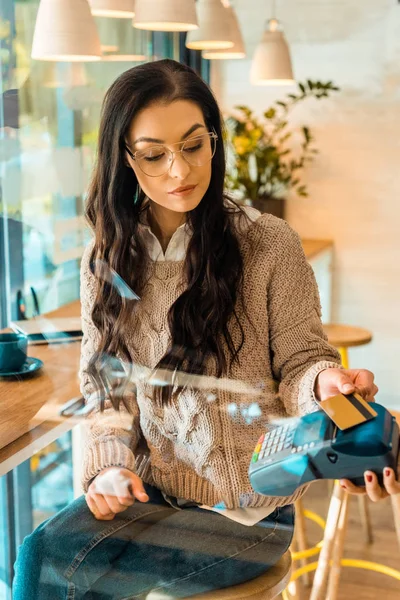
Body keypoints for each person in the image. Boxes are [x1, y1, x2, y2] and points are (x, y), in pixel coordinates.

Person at [13, 59, 399, 600]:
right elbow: (107, 391)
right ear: (124, 158)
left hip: (249, 513)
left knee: (87, 581)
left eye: (194, 145)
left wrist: (324, 384)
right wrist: (106, 468)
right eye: (154, 155)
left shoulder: (269, 244)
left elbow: (301, 362)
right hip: (150, 495)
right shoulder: (106, 258)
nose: (179, 170)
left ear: (213, 142)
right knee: (39, 555)